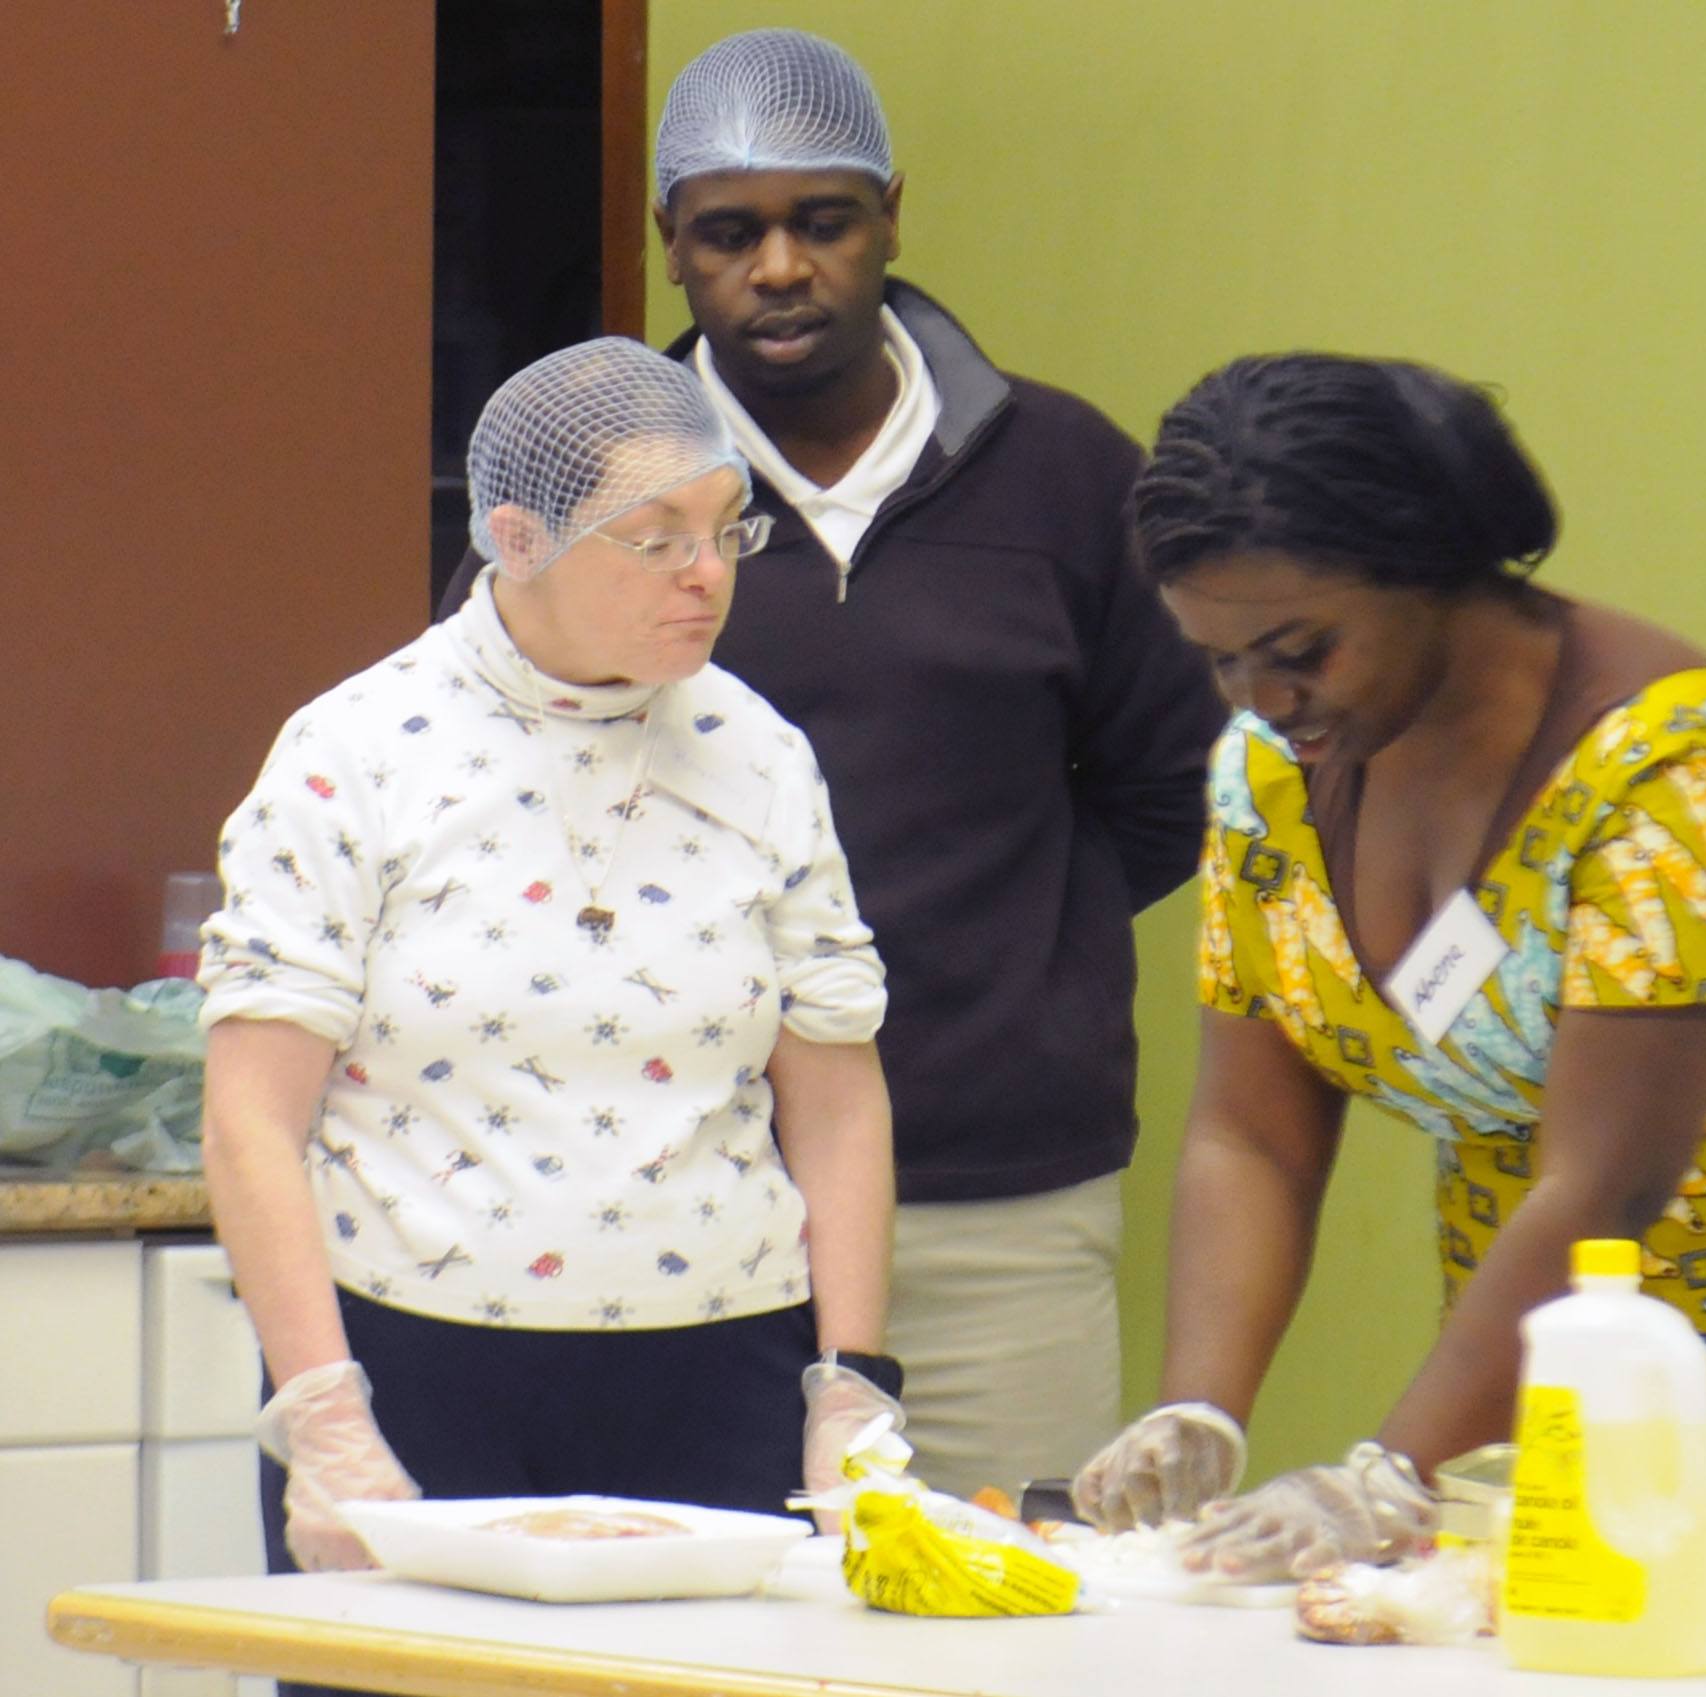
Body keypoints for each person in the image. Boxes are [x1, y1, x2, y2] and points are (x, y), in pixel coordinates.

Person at [1072, 354, 1706, 1580]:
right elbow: (1251, 1134)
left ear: (1430, 568)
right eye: (1221, 660)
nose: (1264, 700)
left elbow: (1601, 1189)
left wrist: (1387, 1478)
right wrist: (1199, 1406)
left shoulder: (1667, 772)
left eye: (1299, 648)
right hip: (1559, 1380)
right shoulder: (1270, 775)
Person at [440, 30, 1224, 1498]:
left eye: (824, 220)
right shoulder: (580, 494)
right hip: (671, 1194)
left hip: (996, 1191)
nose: (782, 267)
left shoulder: (1066, 475)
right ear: (672, 247)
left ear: (892, 217)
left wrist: (1019, 935)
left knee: (1014, 1604)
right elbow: (489, 794)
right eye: (732, 232)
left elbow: (1175, 785)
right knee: (704, 1636)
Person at [201, 340, 901, 1655]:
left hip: (724, 1367)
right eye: (654, 539)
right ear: (517, 542)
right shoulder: (357, 751)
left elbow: (836, 1088)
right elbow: (250, 1121)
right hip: (415, 1371)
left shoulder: (760, 754)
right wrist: (324, 1417)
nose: (708, 573)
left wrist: (851, 1384)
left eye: (724, 528)